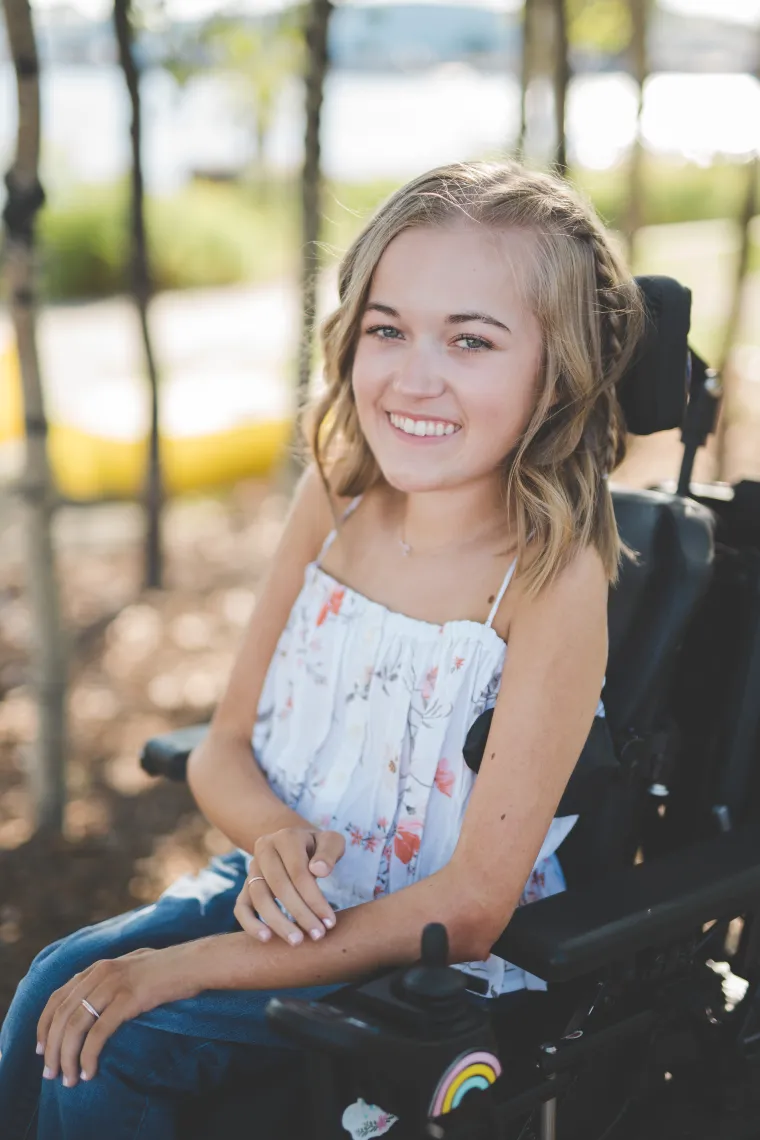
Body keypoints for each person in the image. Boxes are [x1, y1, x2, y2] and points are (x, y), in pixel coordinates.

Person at [0, 159, 643, 1139]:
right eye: (387, 328)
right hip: (280, 903)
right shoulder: (336, 497)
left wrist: (179, 968)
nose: (411, 376)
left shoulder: (550, 580)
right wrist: (270, 837)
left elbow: (469, 908)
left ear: (555, 372)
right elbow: (222, 749)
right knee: (51, 986)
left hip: (427, 961)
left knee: (117, 1046)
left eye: (469, 340)